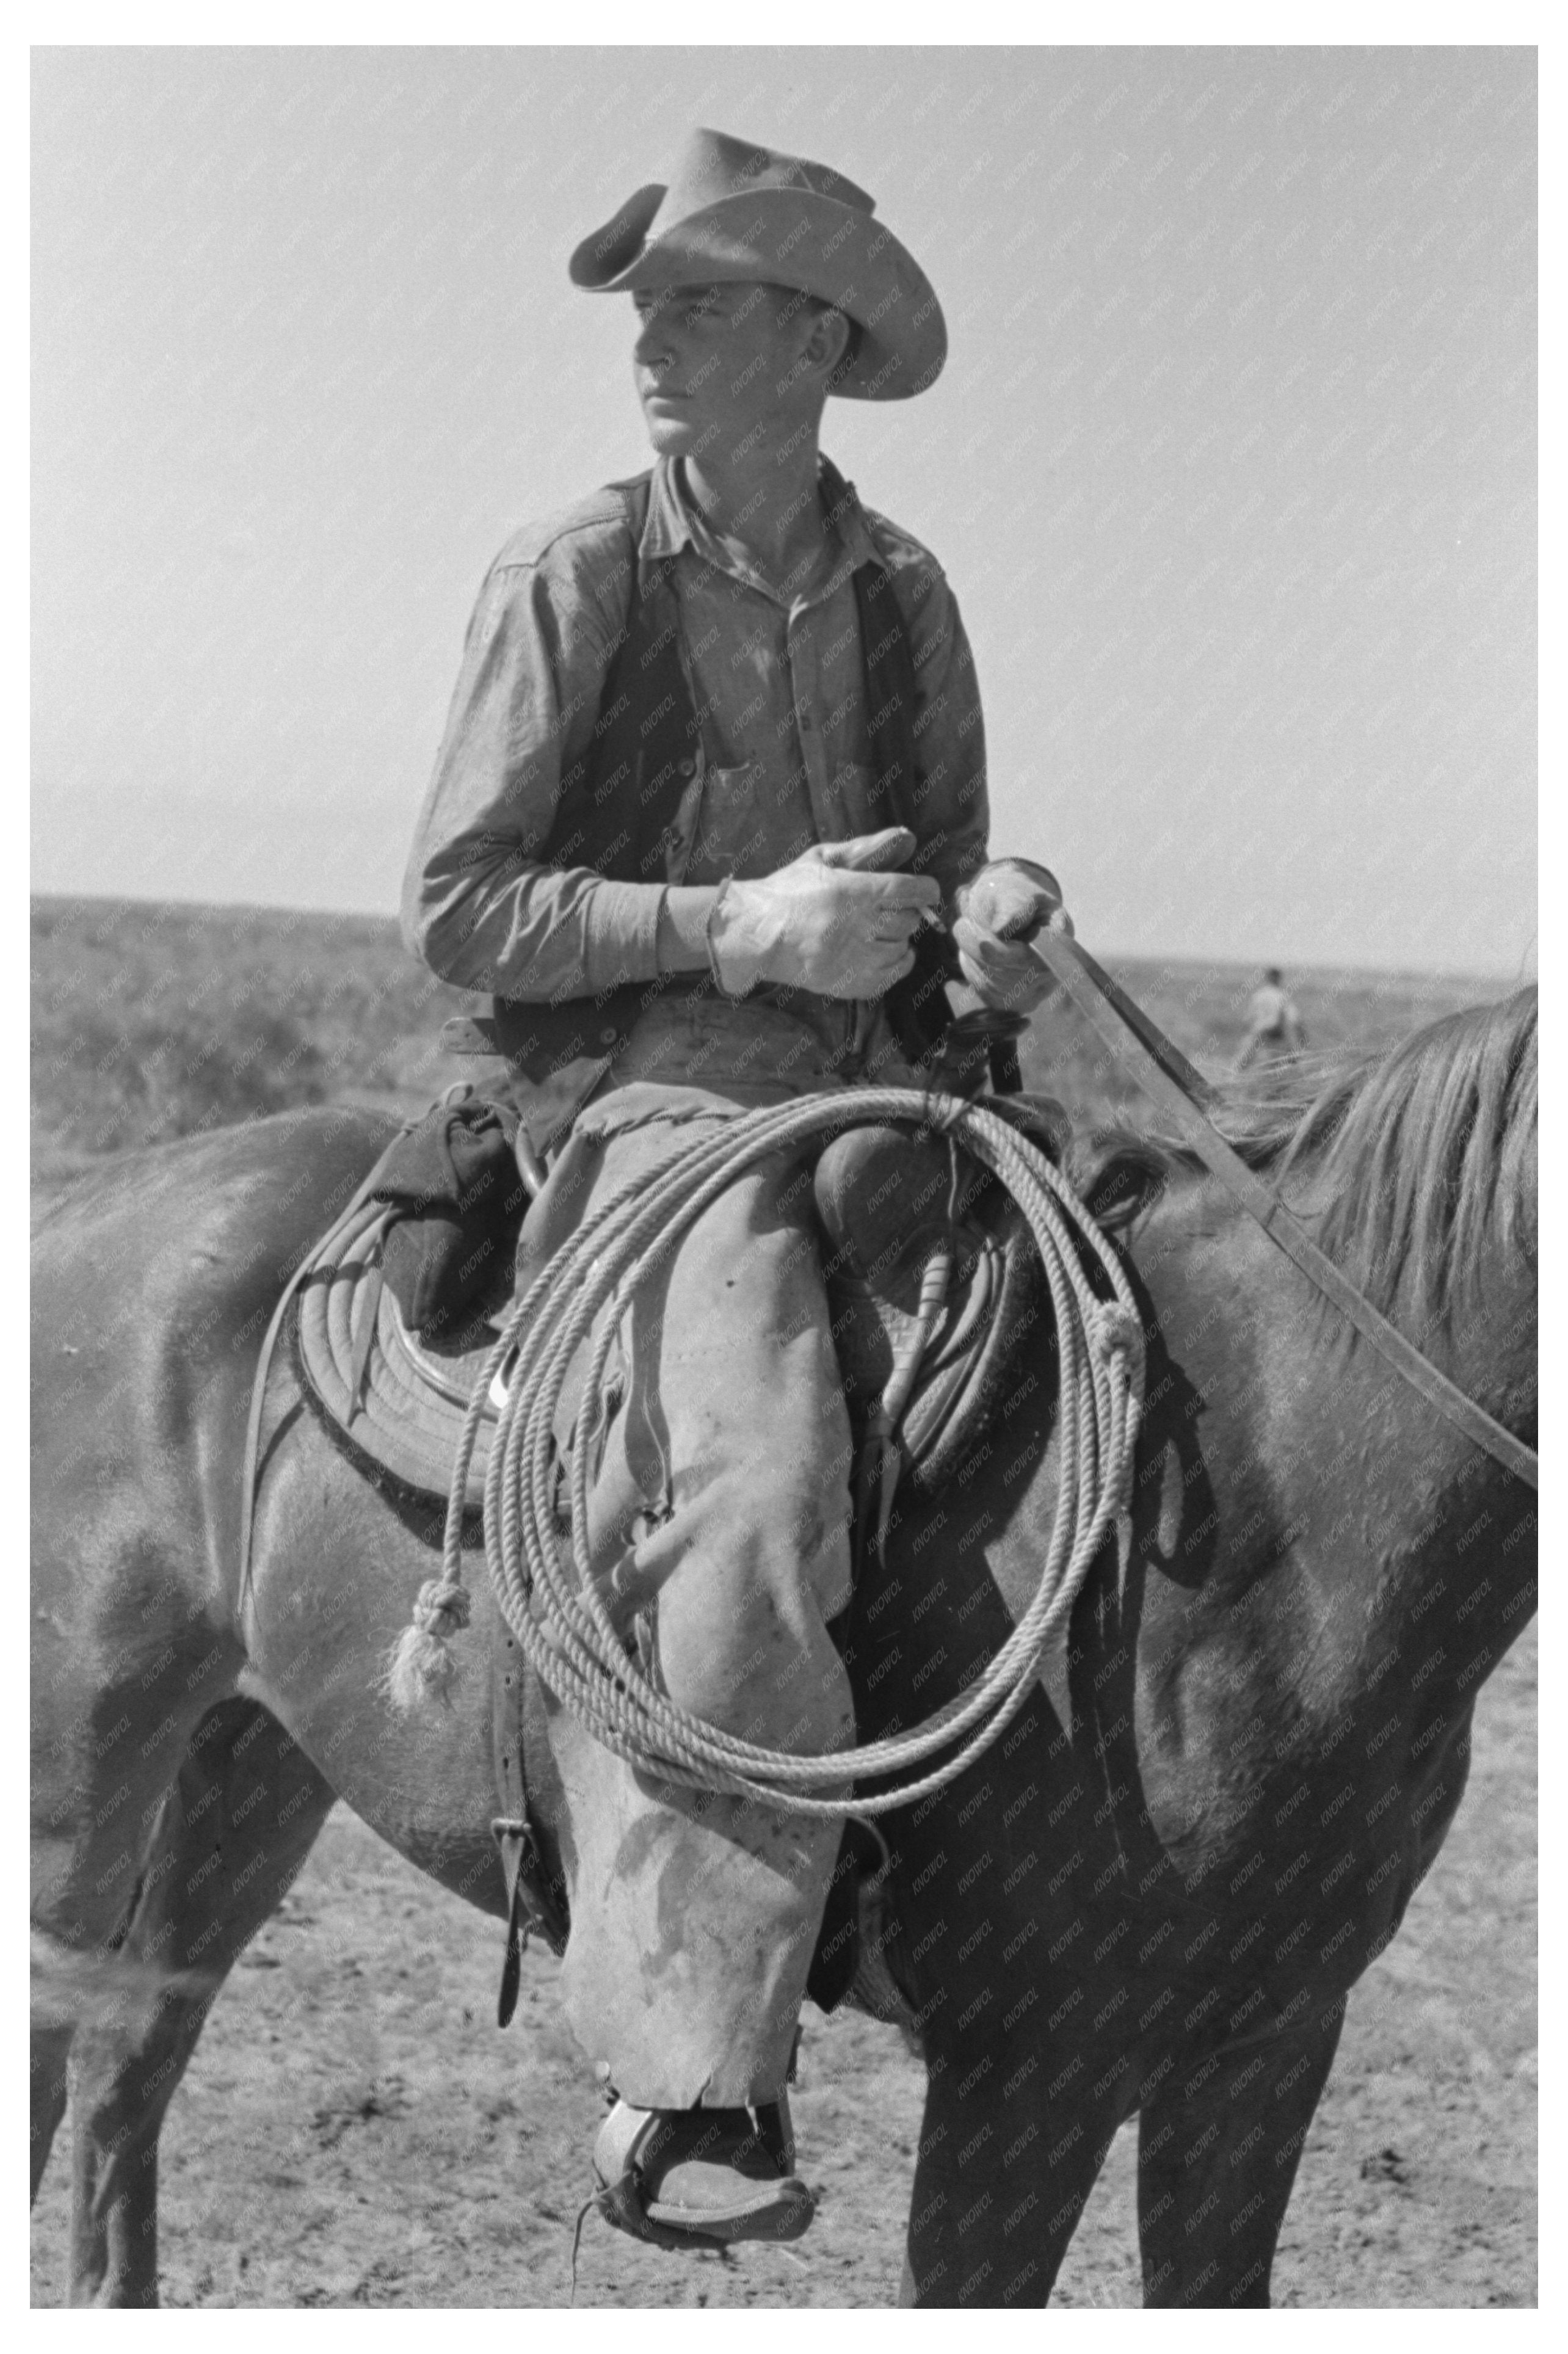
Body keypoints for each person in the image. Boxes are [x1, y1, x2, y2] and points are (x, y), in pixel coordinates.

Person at [402, 126, 1070, 2248]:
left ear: (808, 337)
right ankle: (693, 2075)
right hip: (654, 1097)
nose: (649, 345)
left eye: (694, 304)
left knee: (1152, 1350)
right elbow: (458, 909)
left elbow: (957, 856)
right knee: (762, 1482)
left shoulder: (902, 591)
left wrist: (999, 916)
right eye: (647, 309)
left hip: (898, 1086)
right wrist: (735, 925)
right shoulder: (569, 576)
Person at [1236, 966, 1307, 1070]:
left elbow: (1248, 1019)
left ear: (1268, 978)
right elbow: (1294, 1019)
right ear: (1279, 979)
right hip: (1274, 1033)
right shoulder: (1281, 996)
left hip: (1258, 1032)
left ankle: (1236, 1076)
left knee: (1243, 1062)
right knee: (1292, 1059)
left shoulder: (1258, 995)